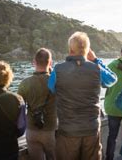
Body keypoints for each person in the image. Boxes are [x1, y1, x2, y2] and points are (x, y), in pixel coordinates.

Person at [47, 31, 117, 160]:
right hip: (91, 129)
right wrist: (96, 60)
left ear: (70, 49)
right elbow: (112, 79)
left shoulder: (58, 69)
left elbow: (52, 89)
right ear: (87, 50)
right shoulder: (96, 69)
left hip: (68, 130)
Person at [18, 48, 57, 160]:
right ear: (50, 62)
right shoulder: (56, 82)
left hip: (31, 130)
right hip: (50, 129)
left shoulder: (25, 83)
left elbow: (19, 107)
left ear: (34, 62)